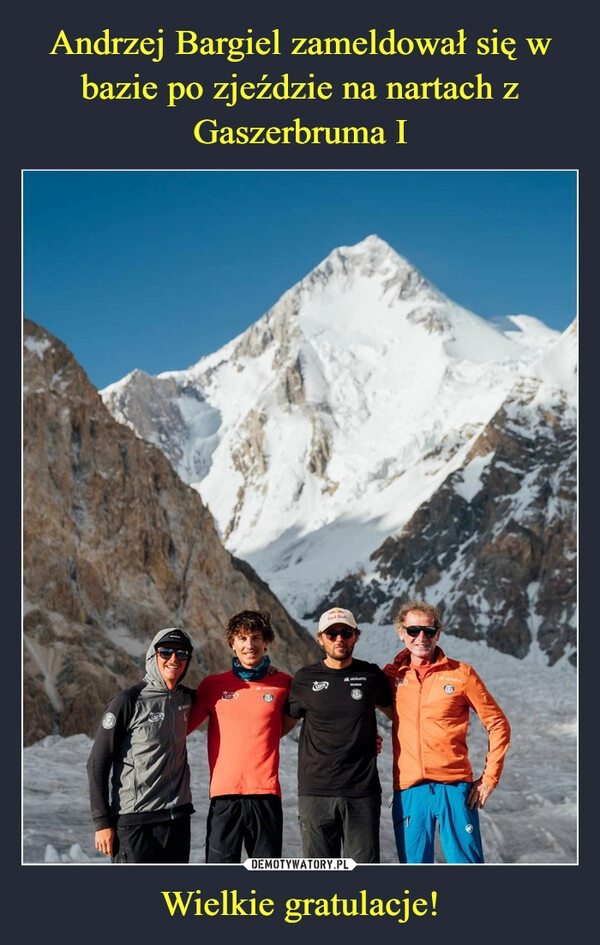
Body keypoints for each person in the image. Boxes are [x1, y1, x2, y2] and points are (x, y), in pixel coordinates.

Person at [382, 600, 511, 864]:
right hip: (409, 791)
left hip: (455, 788)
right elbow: (351, 710)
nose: (421, 638)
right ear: (400, 632)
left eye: (429, 631)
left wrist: (489, 779)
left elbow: (498, 723)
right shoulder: (390, 676)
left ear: (438, 634)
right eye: (413, 630)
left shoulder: (461, 675)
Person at [186, 609, 295, 862]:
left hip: (265, 797)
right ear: (232, 643)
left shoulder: (283, 683)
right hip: (224, 798)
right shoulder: (212, 685)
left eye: (256, 638)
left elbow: (310, 717)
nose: (249, 645)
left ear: (265, 642)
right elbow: (181, 728)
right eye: (242, 638)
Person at [285, 606, 393, 863]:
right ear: (320, 638)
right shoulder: (304, 679)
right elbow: (279, 726)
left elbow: (400, 716)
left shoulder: (370, 676)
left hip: (361, 792)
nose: (339, 639)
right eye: (331, 634)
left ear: (357, 635)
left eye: (346, 632)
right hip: (315, 792)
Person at [86, 627, 196, 864]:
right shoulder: (128, 700)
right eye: (166, 652)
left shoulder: (186, 699)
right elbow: (97, 763)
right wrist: (102, 822)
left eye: (182, 654)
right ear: (152, 656)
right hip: (136, 822)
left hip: (178, 820)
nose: (174, 659)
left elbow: (225, 694)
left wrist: (266, 672)